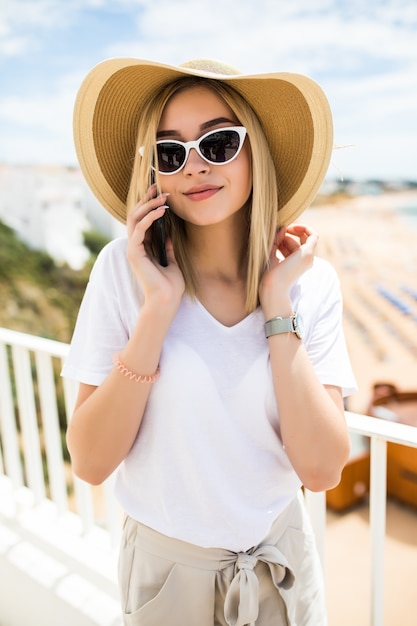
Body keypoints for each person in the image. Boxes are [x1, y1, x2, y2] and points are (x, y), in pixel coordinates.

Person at [63, 57, 357, 626]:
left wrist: (276, 305)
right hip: (167, 579)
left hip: (282, 565)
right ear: (156, 171)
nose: (194, 166)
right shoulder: (122, 273)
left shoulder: (308, 283)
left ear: (256, 152)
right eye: (171, 151)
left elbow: (320, 470)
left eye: (218, 143)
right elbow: (92, 462)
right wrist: (157, 310)